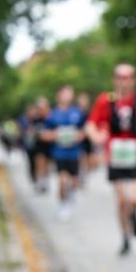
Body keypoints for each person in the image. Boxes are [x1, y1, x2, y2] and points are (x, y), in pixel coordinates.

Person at [85, 63, 136, 255]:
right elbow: (91, 125)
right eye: (121, 77)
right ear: (114, 80)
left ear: (134, 80)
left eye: (128, 77)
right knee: (121, 201)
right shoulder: (105, 100)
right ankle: (125, 237)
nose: (124, 82)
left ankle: (134, 215)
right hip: (115, 156)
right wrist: (97, 137)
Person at [42, 85, 85, 221]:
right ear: (59, 95)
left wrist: (78, 136)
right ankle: (63, 205)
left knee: (74, 182)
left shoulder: (77, 112)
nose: (68, 96)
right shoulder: (52, 114)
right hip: (59, 153)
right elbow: (44, 134)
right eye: (65, 93)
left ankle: (71, 195)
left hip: (74, 153)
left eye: (70, 93)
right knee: (62, 180)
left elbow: (85, 131)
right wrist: (55, 135)